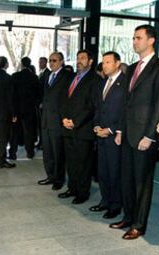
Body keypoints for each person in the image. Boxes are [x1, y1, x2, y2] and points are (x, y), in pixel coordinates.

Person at [110, 24, 159, 240]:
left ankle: (139, 225)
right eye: (134, 38)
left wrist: (149, 136)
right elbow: (125, 103)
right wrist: (119, 130)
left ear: (151, 40)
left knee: (142, 183)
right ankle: (128, 217)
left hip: (144, 136)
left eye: (138, 38)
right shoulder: (133, 67)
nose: (134, 41)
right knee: (126, 179)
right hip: (127, 133)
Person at [58, 49, 100, 201]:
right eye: (77, 58)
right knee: (71, 162)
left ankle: (82, 193)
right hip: (67, 128)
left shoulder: (95, 80)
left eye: (83, 58)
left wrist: (75, 121)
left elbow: (91, 106)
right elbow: (63, 100)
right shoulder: (72, 78)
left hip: (83, 129)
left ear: (90, 61)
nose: (79, 61)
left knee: (83, 163)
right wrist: (64, 119)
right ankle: (72, 188)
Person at [91, 51, 126, 218]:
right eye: (103, 62)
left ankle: (115, 205)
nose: (104, 65)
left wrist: (111, 129)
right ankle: (105, 201)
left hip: (114, 135)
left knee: (114, 171)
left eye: (108, 62)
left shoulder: (125, 83)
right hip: (101, 134)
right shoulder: (103, 82)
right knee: (102, 171)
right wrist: (97, 126)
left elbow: (125, 111)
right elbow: (98, 108)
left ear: (117, 63)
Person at [37, 52, 72, 190]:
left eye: (55, 60)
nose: (51, 63)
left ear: (61, 61)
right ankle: (50, 176)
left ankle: (58, 179)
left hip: (57, 120)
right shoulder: (47, 75)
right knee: (47, 151)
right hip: (45, 119)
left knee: (58, 152)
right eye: (50, 60)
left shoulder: (67, 76)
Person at [9, 57, 40, 159]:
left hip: (17, 109)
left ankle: (13, 153)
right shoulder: (34, 77)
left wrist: (13, 111)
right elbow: (37, 95)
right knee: (29, 132)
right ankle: (30, 152)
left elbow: (12, 95)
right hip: (30, 109)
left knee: (15, 132)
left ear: (22, 64)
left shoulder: (15, 76)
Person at [36, 57, 50, 150]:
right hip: (38, 103)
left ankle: (43, 143)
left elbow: (46, 90)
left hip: (43, 103)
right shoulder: (41, 73)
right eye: (39, 62)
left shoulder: (47, 74)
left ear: (45, 63)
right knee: (39, 124)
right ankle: (40, 141)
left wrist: (42, 102)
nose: (40, 63)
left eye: (41, 62)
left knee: (43, 124)